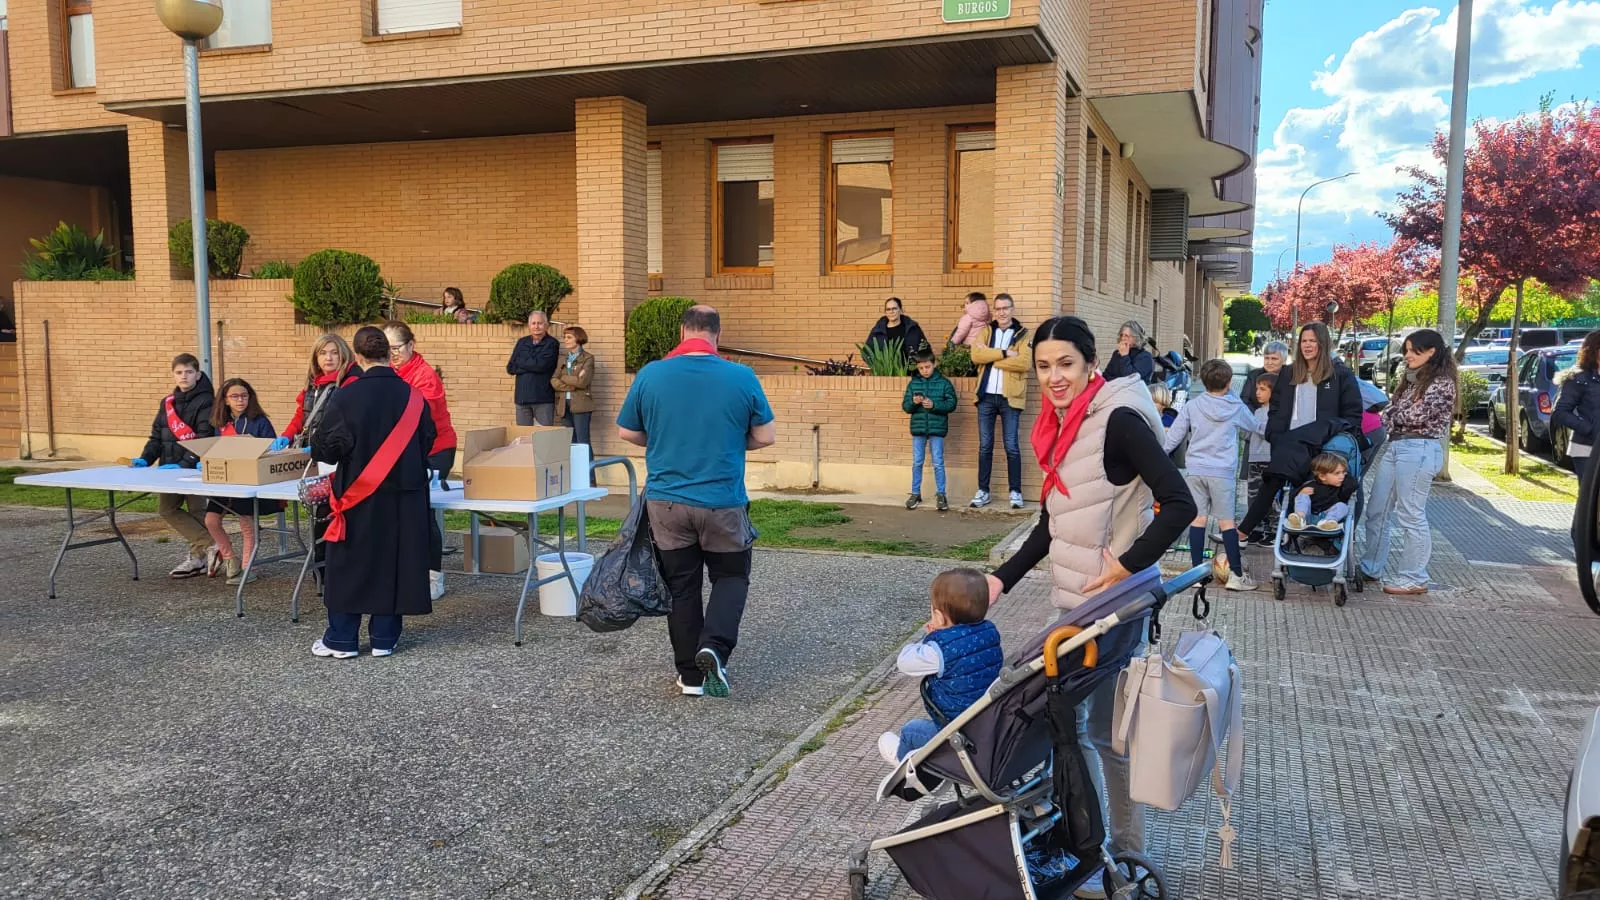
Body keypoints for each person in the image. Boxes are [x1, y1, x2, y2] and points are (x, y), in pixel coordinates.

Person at [986, 317, 1196, 898]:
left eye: (1066, 365)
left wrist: (1126, 567)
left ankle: (1121, 855)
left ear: (1090, 362)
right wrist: (999, 582)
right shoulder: (1062, 424)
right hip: (1077, 609)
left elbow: (1179, 503)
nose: (1055, 377)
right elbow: (1052, 522)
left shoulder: (1119, 419)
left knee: (1100, 735)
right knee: (1071, 727)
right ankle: (1079, 841)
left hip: (1112, 610)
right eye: (1045, 365)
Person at [617, 305, 776, 699]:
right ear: (717, 335)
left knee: (682, 587)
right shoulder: (741, 375)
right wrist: (729, 442)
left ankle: (690, 676)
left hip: (667, 503)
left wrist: (666, 442)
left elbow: (626, 431)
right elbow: (766, 436)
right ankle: (715, 648)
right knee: (731, 577)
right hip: (722, 500)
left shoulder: (651, 374)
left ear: (683, 331)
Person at [309, 326, 436, 659]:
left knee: (350, 565)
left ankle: (342, 639)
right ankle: (384, 638)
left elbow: (325, 450)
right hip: (405, 499)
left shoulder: (346, 396)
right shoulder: (414, 396)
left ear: (358, 356)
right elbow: (428, 440)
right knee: (393, 564)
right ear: (388, 354)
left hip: (359, 497)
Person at [1233, 321, 1363, 544]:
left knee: (1316, 491)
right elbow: (1276, 407)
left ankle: (1249, 529)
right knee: (1274, 480)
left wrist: (1333, 439)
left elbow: (1352, 414)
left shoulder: (1339, 374)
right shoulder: (1289, 373)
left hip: (1323, 446)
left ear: (1323, 343)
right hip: (1290, 443)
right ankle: (1249, 530)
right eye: (1304, 341)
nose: (1308, 345)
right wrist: (1274, 434)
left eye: (1313, 341)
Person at [1359, 328, 1458, 596]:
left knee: (1411, 514)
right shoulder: (1411, 380)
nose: (1408, 355)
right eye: (1407, 350)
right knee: (1376, 509)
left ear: (1431, 352)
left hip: (1419, 449)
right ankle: (1371, 567)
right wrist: (1397, 412)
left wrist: (1396, 412)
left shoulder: (1442, 383)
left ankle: (1414, 576)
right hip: (1396, 446)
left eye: (1415, 351)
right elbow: (1389, 413)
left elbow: (1417, 416)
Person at [876, 568, 1003, 764]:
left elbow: (905, 662)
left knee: (912, 729)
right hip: (988, 726)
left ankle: (907, 769)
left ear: (940, 616)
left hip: (958, 735)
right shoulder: (989, 632)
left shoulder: (939, 650)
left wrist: (929, 637)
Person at [1162, 359, 1260, 591]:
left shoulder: (1192, 406)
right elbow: (1254, 426)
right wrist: (1234, 397)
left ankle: (1196, 574)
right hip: (1222, 472)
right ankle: (1236, 575)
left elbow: (1173, 437)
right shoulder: (1235, 407)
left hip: (1196, 469)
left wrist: (1158, 456)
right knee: (1227, 523)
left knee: (1198, 520)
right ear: (1229, 383)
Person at [270, 334, 358, 592]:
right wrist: (286, 437)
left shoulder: (349, 383)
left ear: (343, 355)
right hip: (312, 460)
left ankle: (333, 570)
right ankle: (321, 570)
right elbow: (301, 416)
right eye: (323, 353)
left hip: (334, 459)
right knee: (318, 515)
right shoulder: (312, 385)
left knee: (330, 513)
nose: (328, 358)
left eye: (333, 353)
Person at [384, 320, 458, 602]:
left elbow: (420, 415)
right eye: (386, 348)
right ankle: (404, 571)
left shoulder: (425, 376)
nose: (392, 354)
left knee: (422, 511)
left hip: (434, 450)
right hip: (400, 451)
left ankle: (433, 576)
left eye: (396, 348)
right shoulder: (388, 373)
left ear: (411, 346)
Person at [131, 353, 216, 579]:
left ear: (198, 374)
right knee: (167, 509)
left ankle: (199, 559)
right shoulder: (167, 402)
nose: (184, 376)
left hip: (194, 466)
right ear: (173, 375)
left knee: (198, 511)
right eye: (179, 372)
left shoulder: (207, 400)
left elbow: (204, 436)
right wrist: (146, 459)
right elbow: (157, 437)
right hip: (169, 468)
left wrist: (184, 463)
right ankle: (212, 545)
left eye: (189, 372)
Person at [202, 378, 280, 585]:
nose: (240, 400)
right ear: (225, 400)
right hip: (225, 480)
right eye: (235, 396)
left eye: (244, 396)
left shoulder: (260, 421)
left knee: (247, 524)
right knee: (211, 520)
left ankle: (248, 566)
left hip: (249, 480)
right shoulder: (219, 423)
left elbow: (271, 450)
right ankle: (229, 559)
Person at [969, 293, 1031, 509]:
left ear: (1012, 310)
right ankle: (983, 491)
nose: (1002, 312)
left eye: (1005, 308)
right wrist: (1005, 353)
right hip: (986, 396)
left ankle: (1015, 492)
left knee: (1011, 446)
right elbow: (976, 356)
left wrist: (994, 360)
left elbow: (1024, 363)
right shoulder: (986, 331)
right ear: (994, 311)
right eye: (998, 309)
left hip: (1009, 398)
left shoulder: (1023, 334)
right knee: (985, 446)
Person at [902, 347, 958, 511]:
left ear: (934, 364)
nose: (924, 371)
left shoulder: (943, 383)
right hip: (918, 429)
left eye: (927, 367)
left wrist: (934, 405)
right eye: (921, 368)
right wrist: (914, 402)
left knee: (938, 463)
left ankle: (941, 494)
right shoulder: (914, 383)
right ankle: (915, 493)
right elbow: (906, 406)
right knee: (917, 462)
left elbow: (952, 404)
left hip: (937, 428)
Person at [1556, 332, 1600, 524]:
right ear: (1594, 351)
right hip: (1586, 449)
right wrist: (1589, 429)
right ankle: (1582, 547)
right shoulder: (1578, 379)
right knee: (1588, 500)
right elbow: (1561, 411)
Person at [507, 310, 560, 425]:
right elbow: (510, 368)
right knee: (523, 438)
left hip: (542, 399)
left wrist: (522, 362)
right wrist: (533, 364)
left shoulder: (552, 343)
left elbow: (542, 366)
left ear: (546, 325)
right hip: (522, 399)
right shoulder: (522, 342)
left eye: (540, 323)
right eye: (534, 323)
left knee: (544, 438)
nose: (537, 326)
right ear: (529, 325)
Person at [1243, 373, 1278, 545]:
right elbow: (1249, 434)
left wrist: (1254, 425)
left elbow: (1269, 433)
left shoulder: (1277, 413)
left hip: (1269, 459)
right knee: (1253, 496)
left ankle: (1274, 530)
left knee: (1268, 498)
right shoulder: (1257, 411)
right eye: (1257, 388)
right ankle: (1255, 529)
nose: (1258, 392)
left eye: (1263, 389)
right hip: (1254, 458)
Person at [1288, 451, 1356, 531]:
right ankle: (1299, 518)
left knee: (1343, 506)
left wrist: (1346, 475)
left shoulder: (1342, 488)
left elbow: (1353, 485)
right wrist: (1299, 493)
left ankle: (1328, 522)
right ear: (1322, 476)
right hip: (1307, 516)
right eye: (1337, 473)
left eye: (1343, 473)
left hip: (1328, 517)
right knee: (1302, 497)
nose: (1342, 476)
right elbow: (1290, 500)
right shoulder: (1310, 485)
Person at [551, 325, 595, 446]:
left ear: (578, 338)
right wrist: (570, 386)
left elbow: (582, 382)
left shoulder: (588, 358)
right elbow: (554, 379)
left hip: (581, 405)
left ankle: (588, 465)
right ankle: (573, 465)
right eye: (565, 337)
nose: (565, 340)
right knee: (570, 441)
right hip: (564, 405)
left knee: (582, 441)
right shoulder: (562, 359)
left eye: (569, 337)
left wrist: (564, 378)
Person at [864, 297, 929, 365]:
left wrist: (918, 365)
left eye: (894, 308)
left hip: (911, 372)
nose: (891, 311)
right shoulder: (878, 330)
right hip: (886, 374)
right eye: (888, 309)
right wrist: (878, 366)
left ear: (901, 310)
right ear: (885, 312)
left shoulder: (912, 328)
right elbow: (866, 352)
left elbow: (925, 347)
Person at [1241, 340, 1289, 409]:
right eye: (1266, 358)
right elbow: (1245, 401)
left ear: (1284, 361)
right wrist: (1256, 417)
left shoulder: (1290, 378)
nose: (1269, 362)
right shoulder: (1254, 375)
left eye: (1274, 359)